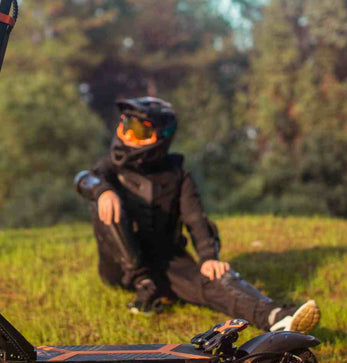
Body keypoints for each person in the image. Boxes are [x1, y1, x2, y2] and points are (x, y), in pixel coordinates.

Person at [74, 96, 320, 333]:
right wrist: (103, 190)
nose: (127, 137)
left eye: (138, 131)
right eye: (125, 127)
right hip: (119, 269)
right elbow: (84, 178)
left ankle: (276, 317)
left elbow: (196, 220)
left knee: (215, 277)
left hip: (167, 262)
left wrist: (208, 257)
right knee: (102, 205)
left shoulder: (178, 175)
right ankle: (143, 282)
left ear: (161, 138)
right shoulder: (110, 168)